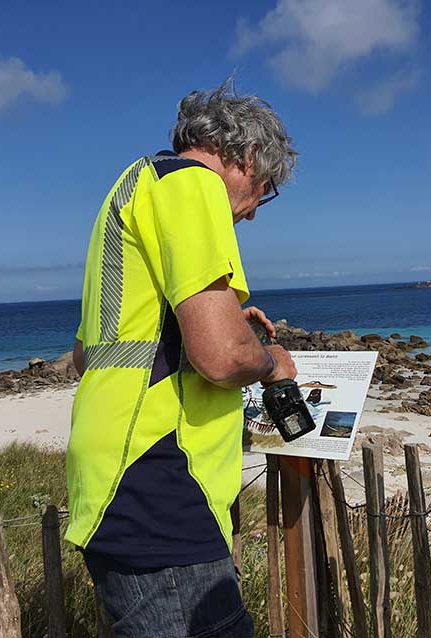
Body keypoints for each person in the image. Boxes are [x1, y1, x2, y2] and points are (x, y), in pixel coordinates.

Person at [66, 79, 298, 638]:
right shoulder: (194, 184)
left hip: (109, 477)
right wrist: (270, 362)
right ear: (245, 157)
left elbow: (85, 356)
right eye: (263, 189)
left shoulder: (134, 185)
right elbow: (220, 358)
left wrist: (202, 327)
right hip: (161, 480)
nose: (253, 212)